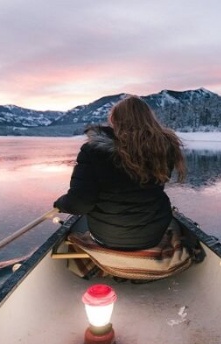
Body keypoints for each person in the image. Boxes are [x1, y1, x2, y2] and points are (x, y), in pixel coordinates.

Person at [53, 95, 196, 281]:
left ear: (114, 121)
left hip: (107, 237)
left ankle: (105, 260)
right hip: (152, 236)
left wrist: (60, 203)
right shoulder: (163, 149)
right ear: (148, 119)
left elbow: (79, 204)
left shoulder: (93, 151)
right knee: (171, 224)